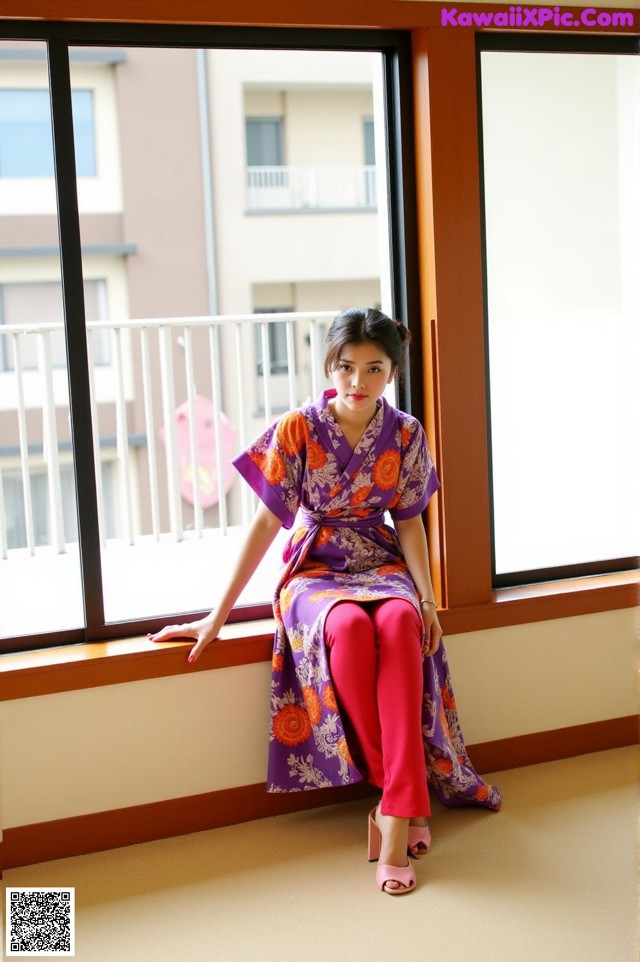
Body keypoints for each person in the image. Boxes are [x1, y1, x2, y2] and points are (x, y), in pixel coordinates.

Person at [150, 306, 501, 896]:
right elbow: (266, 527)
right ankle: (403, 799)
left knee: (398, 621)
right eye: (345, 367)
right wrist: (218, 614)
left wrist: (428, 599)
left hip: (380, 560)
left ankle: (394, 812)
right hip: (314, 568)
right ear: (327, 366)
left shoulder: (408, 432)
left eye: (373, 368)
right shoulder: (297, 429)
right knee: (347, 630)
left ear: (392, 372)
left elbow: (411, 524)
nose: (357, 381)